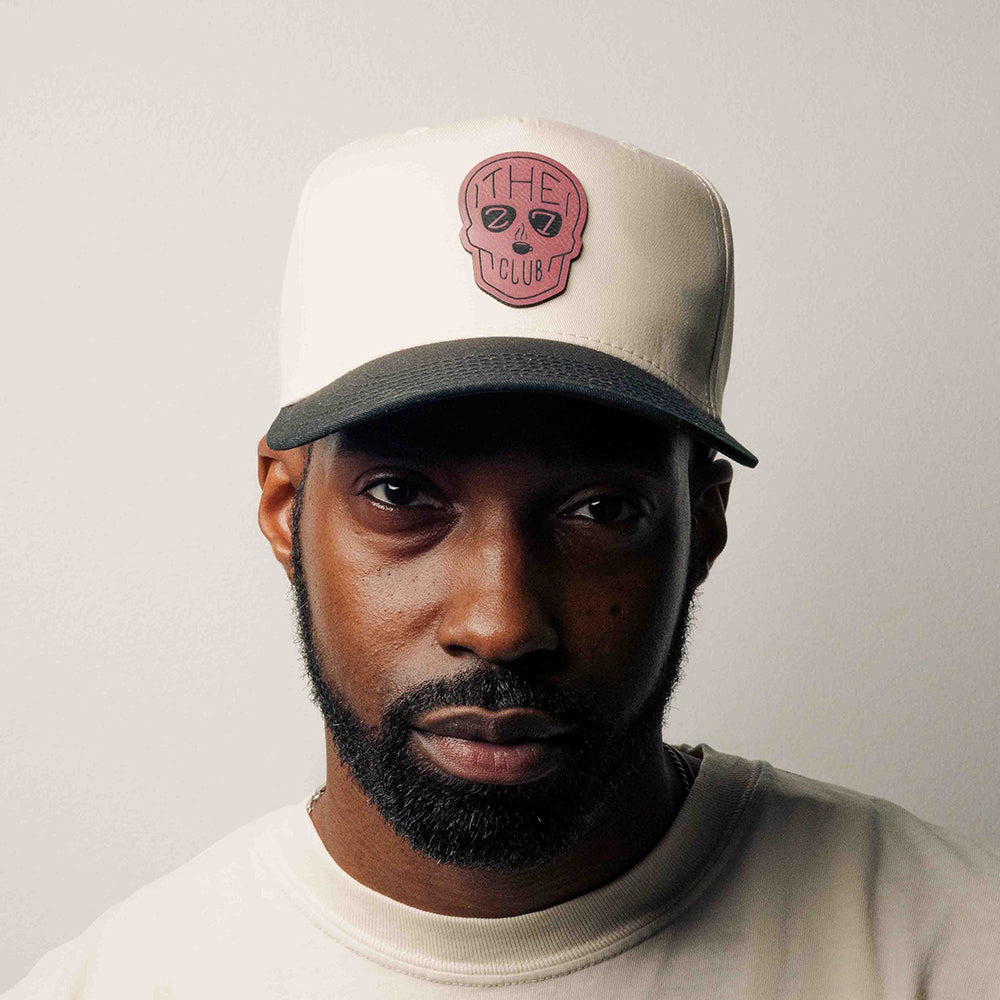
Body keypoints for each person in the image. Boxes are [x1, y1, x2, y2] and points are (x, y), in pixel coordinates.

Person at [7, 116, 999, 999]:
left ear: (703, 523)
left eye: (600, 509)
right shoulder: (119, 984)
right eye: (403, 496)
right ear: (283, 507)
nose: (500, 621)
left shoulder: (954, 948)